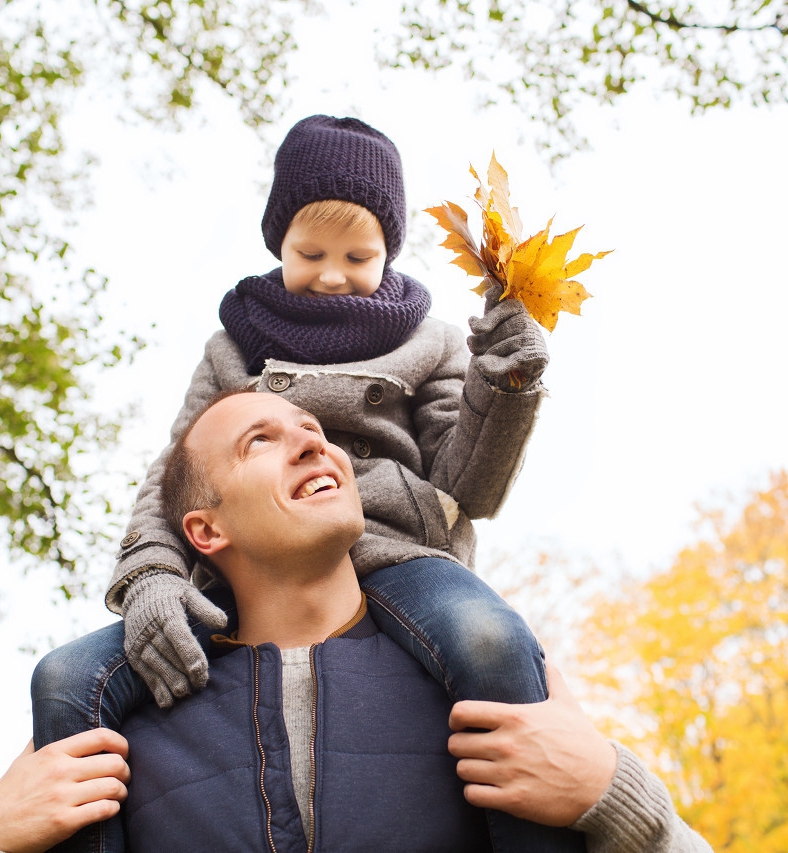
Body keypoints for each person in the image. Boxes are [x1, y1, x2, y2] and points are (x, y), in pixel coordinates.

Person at [33, 115, 556, 851]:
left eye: (359, 255)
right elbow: (176, 476)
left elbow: (470, 482)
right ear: (278, 241)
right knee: (65, 677)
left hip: (400, 553)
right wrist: (152, 574)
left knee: (491, 637)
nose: (334, 273)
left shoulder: (428, 339)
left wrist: (505, 385)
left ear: (390, 252)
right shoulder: (236, 344)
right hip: (251, 556)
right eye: (310, 252)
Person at [0, 392, 712, 853]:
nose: (314, 441)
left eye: (312, 428)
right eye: (262, 439)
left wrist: (617, 799)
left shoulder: (492, 693)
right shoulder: (118, 735)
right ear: (205, 530)